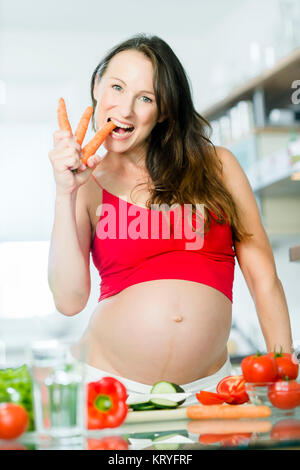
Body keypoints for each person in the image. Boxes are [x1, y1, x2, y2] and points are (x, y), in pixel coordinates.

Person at [48, 34, 293, 406]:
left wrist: (284, 369)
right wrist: (65, 191)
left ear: (163, 111)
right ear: (98, 87)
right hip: (109, 389)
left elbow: (264, 279)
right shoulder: (87, 182)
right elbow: (69, 300)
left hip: (208, 391)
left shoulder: (218, 166)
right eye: (116, 87)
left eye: (145, 98)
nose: (124, 110)